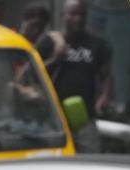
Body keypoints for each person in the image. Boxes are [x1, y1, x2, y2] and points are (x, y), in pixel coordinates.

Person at [47, 0, 112, 148]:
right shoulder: (50, 42)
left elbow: (106, 75)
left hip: (84, 117)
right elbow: (35, 73)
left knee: (90, 161)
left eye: (82, 14)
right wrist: (54, 59)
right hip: (54, 119)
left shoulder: (96, 44)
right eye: (73, 14)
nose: (78, 18)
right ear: (63, 16)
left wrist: (105, 96)